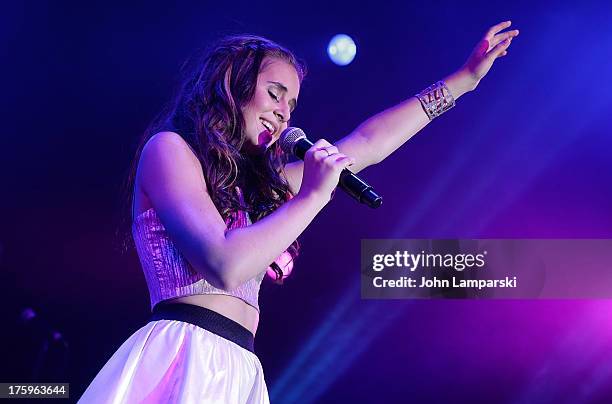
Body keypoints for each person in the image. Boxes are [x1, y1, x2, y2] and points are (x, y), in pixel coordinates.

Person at [79, 21, 518, 403]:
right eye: (275, 94)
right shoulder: (169, 150)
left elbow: (365, 144)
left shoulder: (260, 188)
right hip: (184, 351)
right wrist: (312, 197)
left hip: (240, 365)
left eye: (291, 105)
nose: (284, 114)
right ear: (232, 86)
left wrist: (463, 81)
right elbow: (225, 263)